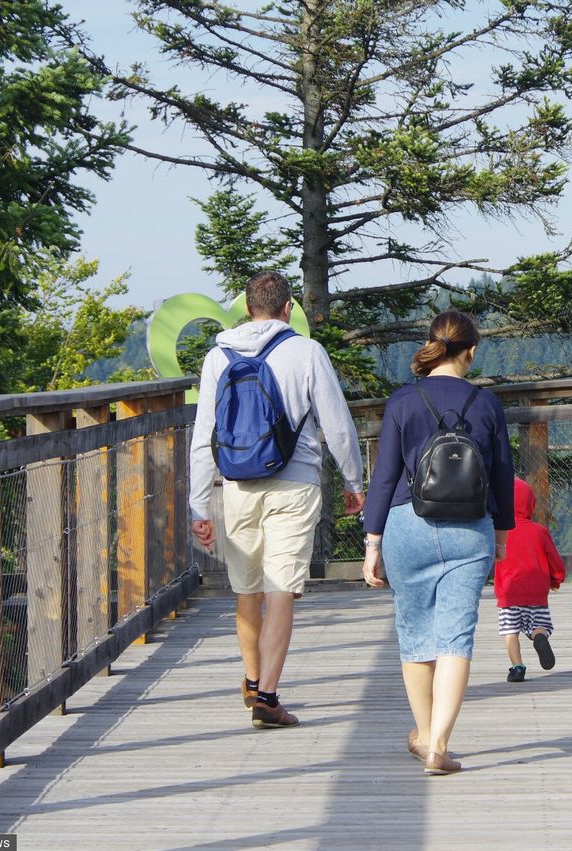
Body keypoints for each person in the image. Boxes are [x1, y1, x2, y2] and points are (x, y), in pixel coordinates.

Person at [189, 271, 365, 729]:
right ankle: (267, 695)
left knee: (247, 590)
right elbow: (337, 424)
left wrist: (198, 505)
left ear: (247, 308)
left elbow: (203, 434)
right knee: (281, 589)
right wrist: (354, 480)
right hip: (295, 482)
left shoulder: (217, 358)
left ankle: (251, 682)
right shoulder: (307, 352)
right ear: (288, 309)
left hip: (237, 486)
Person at [361, 310, 515, 775]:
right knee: (456, 637)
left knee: (415, 636)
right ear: (470, 351)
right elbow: (504, 476)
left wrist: (372, 543)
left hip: (408, 525)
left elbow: (385, 475)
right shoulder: (486, 404)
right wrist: (503, 537)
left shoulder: (404, 401)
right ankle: (439, 747)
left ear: (434, 346)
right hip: (470, 530)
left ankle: (424, 732)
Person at [494, 477, 565, 682]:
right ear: (530, 504)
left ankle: (517, 668)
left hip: (508, 591)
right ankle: (539, 636)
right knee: (538, 624)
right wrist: (556, 578)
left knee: (510, 632)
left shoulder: (500, 532)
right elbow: (554, 558)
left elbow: (493, 557)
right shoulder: (539, 532)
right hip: (536, 590)